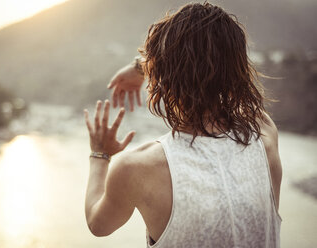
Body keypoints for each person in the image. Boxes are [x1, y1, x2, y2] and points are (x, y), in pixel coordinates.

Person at [83, 2, 282, 247]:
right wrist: (148, 66)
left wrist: (99, 153)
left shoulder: (135, 167)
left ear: (161, 77)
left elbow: (98, 224)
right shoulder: (264, 134)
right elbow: (223, 81)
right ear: (239, 69)